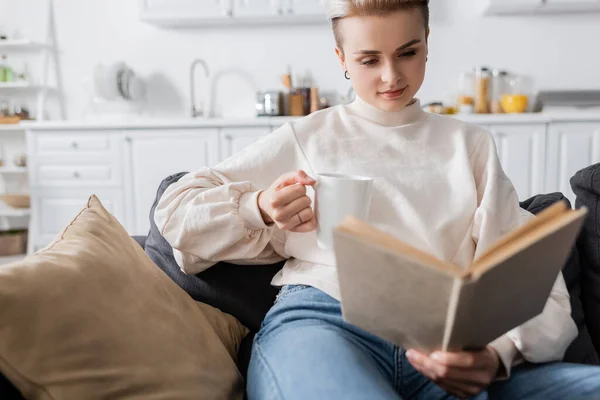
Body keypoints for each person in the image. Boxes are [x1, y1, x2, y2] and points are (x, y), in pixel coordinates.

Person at [154, 1, 600, 398]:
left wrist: (496, 354)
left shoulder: (471, 146)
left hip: (442, 340)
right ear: (342, 60)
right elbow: (176, 210)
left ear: (427, 43)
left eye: (408, 52)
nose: (391, 76)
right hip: (326, 320)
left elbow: (533, 284)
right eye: (369, 60)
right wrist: (260, 206)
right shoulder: (310, 134)